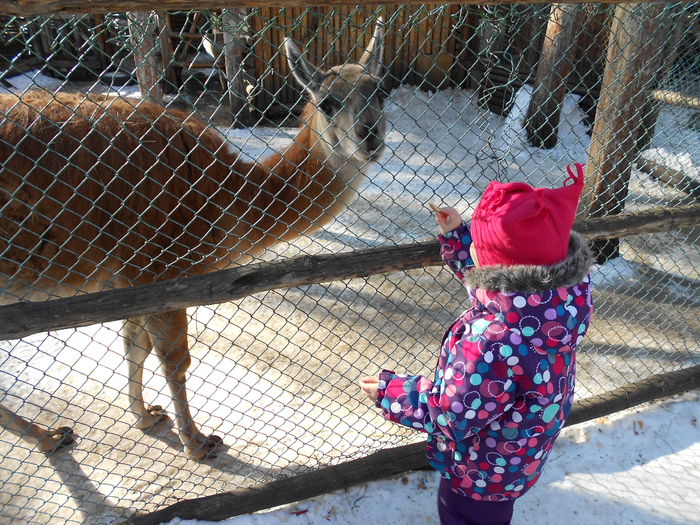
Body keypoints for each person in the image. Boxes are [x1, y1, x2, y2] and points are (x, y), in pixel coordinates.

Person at [359, 164, 594, 525]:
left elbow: (453, 412)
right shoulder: (556, 302)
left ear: (497, 270)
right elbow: (492, 283)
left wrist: (393, 392)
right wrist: (458, 238)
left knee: (463, 517)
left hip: (480, 469)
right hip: (517, 456)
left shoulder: (493, 341)